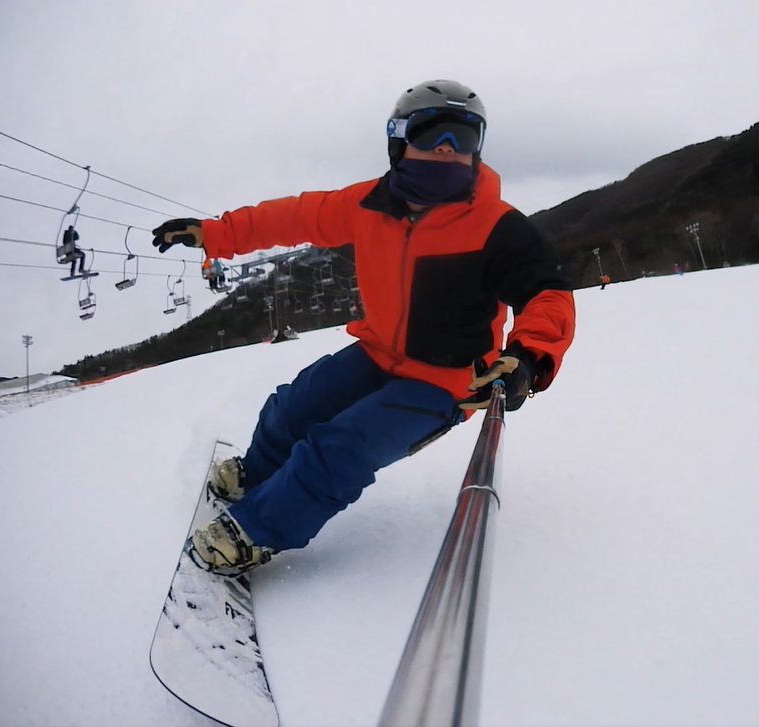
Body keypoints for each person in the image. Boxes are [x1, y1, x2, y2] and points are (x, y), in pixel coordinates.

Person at [151, 80, 576, 577]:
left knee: (342, 445)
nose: (447, 148)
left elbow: (547, 293)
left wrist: (527, 356)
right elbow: (295, 216)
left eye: (464, 137)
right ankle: (256, 475)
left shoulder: (498, 227)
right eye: (433, 131)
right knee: (294, 407)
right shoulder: (370, 205)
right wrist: (217, 233)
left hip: (447, 382)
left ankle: (258, 531)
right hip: (377, 354)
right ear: (399, 140)